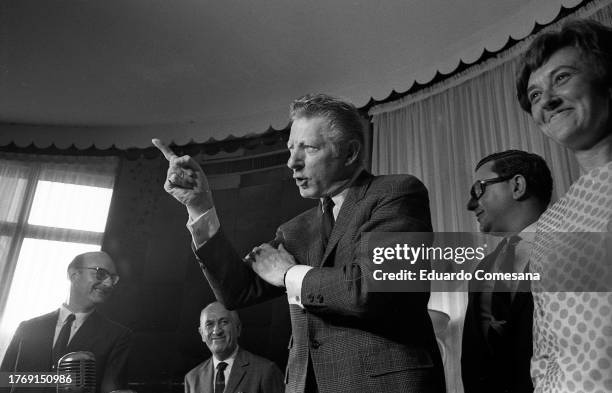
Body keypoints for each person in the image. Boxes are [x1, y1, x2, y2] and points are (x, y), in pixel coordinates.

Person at [153, 93, 445, 393]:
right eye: (291, 148)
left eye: (309, 148)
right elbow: (236, 291)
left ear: (350, 152)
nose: (292, 162)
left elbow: (371, 288)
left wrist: (288, 275)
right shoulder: (295, 229)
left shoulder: (396, 193)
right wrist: (200, 207)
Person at [515, 19, 612, 392]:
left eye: (561, 78)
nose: (547, 101)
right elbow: (547, 351)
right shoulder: (552, 224)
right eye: (535, 95)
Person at [462, 150, 553, 393]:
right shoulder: (482, 270)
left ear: (517, 186)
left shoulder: (578, 248)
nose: (471, 204)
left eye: (479, 189)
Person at [0, 251, 132, 393]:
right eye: (101, 273)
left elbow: (110, 388)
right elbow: (5, 381)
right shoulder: (28, 327)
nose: (109, 283)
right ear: (73, 275)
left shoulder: (117, 336)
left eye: (113, 278)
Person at [184, 302, 284, 393]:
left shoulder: (266, 371)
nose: (217, 331)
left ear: (238, 329)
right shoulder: (192, 379)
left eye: (224, 322)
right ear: (202, 334)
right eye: (209, 324)